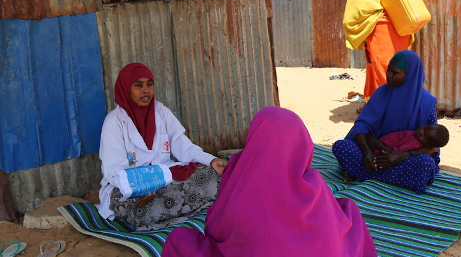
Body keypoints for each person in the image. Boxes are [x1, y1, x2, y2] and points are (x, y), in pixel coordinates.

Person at [162, 106, 377, 257]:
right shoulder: (314, 182)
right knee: (348, 209)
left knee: (180, 239)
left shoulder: (241, 179)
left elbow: (217, 229)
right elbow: (331, 218)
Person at [96, 63, 227, 230]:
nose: (146, 90)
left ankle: (165, 214)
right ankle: (173, 211)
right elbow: (113, 171)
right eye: (138, 85)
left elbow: (183, 146)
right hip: (128, 185)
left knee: (207, 172)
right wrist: (137, 190)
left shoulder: (161, 112)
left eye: (149, 84)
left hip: (162, 178)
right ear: (125, 89)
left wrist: (211, 160)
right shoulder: (114, 122)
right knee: (135, 205)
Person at [332, 50, 439, 194]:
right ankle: (390, 178)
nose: (388, 75)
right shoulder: (381, 93)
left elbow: (433, 146)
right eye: (388, 70)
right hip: (374, 152)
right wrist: (368, 153)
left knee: (425, 164)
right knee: (342, 147)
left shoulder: (427, 103)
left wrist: (401, 156)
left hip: (404, 158)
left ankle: (364, 174)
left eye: (395, 73)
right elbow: (361, 126)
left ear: (410, 76)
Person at [343, 0, 414, 102]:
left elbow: (355, 11)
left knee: (383, 69)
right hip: (399, 28)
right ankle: (376, 102)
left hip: (380, 30)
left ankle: (387, 106)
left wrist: (355, 32)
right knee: (394, 67)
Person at [367, 124, 449, 156]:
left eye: (423, 135)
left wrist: (384, 151)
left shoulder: (413, 144)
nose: (421, 131)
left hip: (379, 149)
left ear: (428, 145)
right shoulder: (416, 135)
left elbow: (396, 152)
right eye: (424, 128)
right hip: (379, 143)